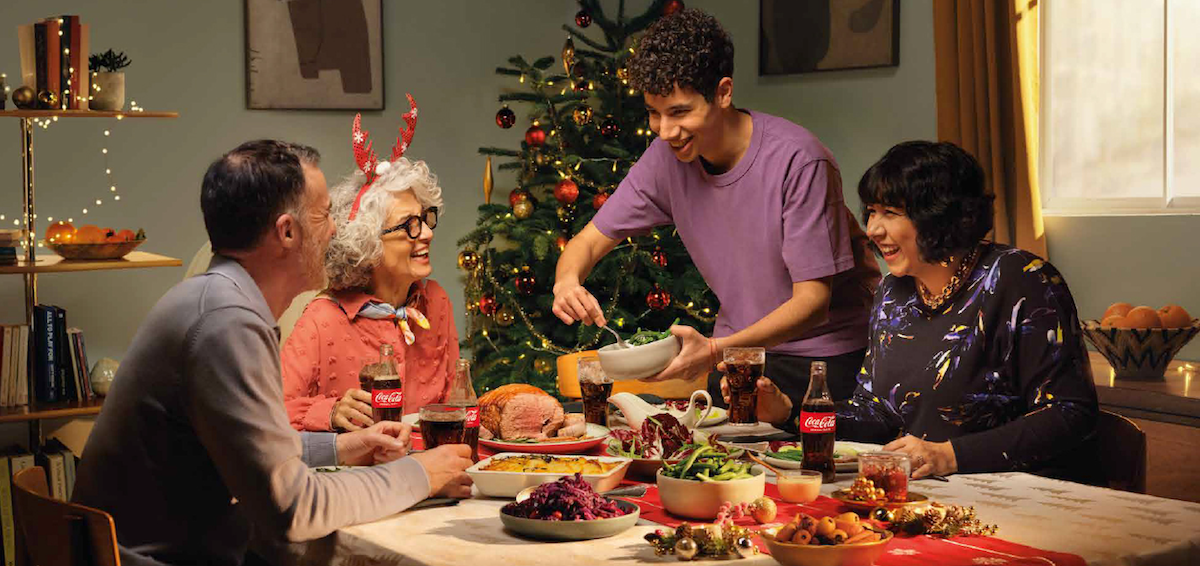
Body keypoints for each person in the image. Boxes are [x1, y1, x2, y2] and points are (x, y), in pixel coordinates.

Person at [72, 139, 473, 566]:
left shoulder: (214, 299)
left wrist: (342, 448)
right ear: (287, 231)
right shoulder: (227, 322)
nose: (337, 229)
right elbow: (294, 509)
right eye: (323, 215)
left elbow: (251, 449)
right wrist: (418, 475)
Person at [552, 8, 880, 419]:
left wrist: (711, 350)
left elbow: (813, 302)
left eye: (680, 112)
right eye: (654, 112)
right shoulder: (665, 159)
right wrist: (567, 281)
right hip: (732, 358)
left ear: (723, 93)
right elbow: (588, 241)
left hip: (821, 363)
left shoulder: (800, 160)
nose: (665, 130)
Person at [735, 141, 1100, 481]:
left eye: (890, 213)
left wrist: (950, 455)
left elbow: (1070, 414)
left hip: (1022, 494)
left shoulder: (1021, 281)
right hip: (929, 491)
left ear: (938, 217)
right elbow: (875, 414)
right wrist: (789, 412)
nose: (873, 229)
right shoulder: (894, 292)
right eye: (872, 212)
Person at [282, 109, 457, 432]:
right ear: (368, 243)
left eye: (425, 218)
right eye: (409, 225)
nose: (428, 233)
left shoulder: (436, 302)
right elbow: (271, 412)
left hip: (430, 469)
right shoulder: (323, 319)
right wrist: (330, 411)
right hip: (353, 477)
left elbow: (453, 402)